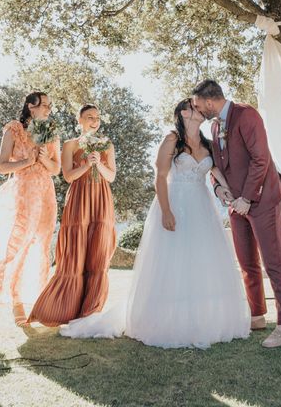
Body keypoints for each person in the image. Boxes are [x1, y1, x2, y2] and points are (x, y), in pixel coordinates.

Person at [61, 98, 250, 349]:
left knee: (200, 261)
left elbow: (215, 173)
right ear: (183, 112)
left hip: (202, 209)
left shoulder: (207, 143)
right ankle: (166, 320)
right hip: (175, 203)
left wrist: (228, 192)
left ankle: (200, 319)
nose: (201, 111)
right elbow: (160, 177)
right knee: (172, 263)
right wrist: (166, 210)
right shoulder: (172, 139)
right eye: (195, 108)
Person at [192, 80, 281, 348]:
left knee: (274, 262)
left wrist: (248, 197)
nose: (197, 109)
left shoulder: (247, 115)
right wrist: (219, 190)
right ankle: (257, 315)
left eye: (198, 105)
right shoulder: (215, 127)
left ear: (210, 101)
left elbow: (261, 159)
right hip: (236, 205)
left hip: (262, 200)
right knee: (247, 263)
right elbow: (218, 166)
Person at [28, 104, 117, 326]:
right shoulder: (69, 145)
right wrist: (87, 164)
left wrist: (99, 164)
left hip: (101, 201)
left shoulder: (107, 145)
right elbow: (68, 176)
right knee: (74, 253)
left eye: (97, 117)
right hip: (79, 201)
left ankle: (91, 310)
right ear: (79, 120)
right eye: (89, 117)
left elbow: (111, 176)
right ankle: (62, 309)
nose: (94, 121)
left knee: (98, 253)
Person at [0, 92, 60, 326]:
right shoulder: (14, 129)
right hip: (22, 192)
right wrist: (28, 161)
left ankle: (38, 302)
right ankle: (16, 301)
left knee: (40, 245)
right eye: (44, 105)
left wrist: (43, 158)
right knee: (20, 245)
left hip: (45, 193)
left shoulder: (50, 132)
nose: (48, 109)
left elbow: (56, 168)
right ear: (31, 106)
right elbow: (2, 165)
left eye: (50, 106)